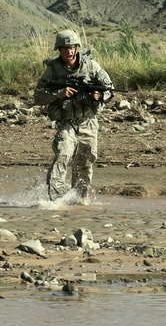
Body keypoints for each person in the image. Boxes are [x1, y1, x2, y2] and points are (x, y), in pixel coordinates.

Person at [32, 30, 113, 204]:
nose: (69, 52)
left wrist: (99, 96)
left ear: (77, 48)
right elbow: (38, 97)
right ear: (59, 49)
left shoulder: (91, 66)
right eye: (65, 48)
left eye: (72, 48)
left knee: (85, 160)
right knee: (63, 153)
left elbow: (109, 87)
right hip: (65, 121)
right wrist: (59, 94)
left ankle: (79, 198)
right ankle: (55, 199)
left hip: (88, 121)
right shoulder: (53, 70)